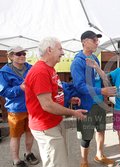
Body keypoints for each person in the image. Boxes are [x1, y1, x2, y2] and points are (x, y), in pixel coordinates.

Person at [25, 37, 87, 167]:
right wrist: (73, 112)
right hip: (46, 126)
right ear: (49, 50)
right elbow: (47, 104)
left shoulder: (49, 68)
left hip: (53, 122)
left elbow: (53, 93)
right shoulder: (40, 71)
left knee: (59, 159)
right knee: (56, 163)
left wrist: (68, 99)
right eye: (60, 49)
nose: (63, 53)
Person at [70, 30, 116, 167]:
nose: (97, 43)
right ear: (85, 42)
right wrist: (101, 90)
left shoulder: (95, 59)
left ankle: (99, 156)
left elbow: (99, 78)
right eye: (94, 40)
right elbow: (79, 86)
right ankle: (84, 162)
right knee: (86, 135)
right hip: (86, 104)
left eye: (97, 40)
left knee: (101, 129)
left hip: (99, 103)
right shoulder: (77, 62)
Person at [0, 46, 39, 167]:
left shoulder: (31, 68)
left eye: (23, 53)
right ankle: (16, 160)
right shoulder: (4, 72)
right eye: (18, 54)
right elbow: (3, 92)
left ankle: (28, 153)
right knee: (15, 136)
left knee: (30, 133)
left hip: (32, 107)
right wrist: (20, 88)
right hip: (15, 110)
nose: (22, 56)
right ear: (11, 56)